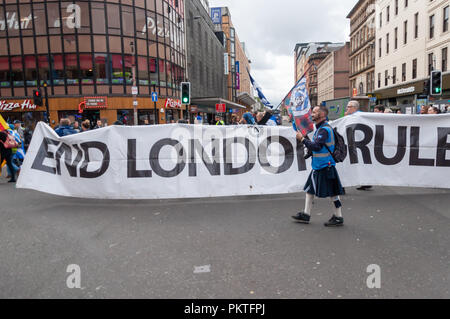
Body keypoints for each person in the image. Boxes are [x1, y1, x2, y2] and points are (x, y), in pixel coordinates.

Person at [292, 106, 345, 227]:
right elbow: (316, 146)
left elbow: (316, 146)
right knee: (310, 190)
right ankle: (306, 214)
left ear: (322, 115)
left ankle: (338, 216)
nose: (312, 114)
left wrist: (302, 139)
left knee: (333, 193)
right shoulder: (320, 128)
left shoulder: (324, 130)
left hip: (325, 166)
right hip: (319, 166)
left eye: (314, 112)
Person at [345, 100, 372, 191]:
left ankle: (366, 182)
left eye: (349, 107)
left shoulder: (359, 116)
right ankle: (365, 182)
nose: (347, 108)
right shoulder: (351, 116)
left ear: (354, 108)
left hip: (359, 144)